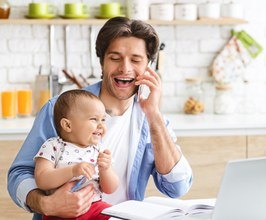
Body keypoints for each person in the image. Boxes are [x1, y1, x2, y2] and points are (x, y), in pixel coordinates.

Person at [8, 17, 193, 220]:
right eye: (115, 58)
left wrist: (154, 115)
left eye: (136, 60)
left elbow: (177, 187)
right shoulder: (60, 109)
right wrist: (46, 203)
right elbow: (19, 175)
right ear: (102, 62)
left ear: (148, 66)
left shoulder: (153, 120)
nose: (125, 68)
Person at [34, 89, 119, 220]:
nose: (101, 125)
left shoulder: (99, 150)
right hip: (60, 212)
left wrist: (106, 170)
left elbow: (110, 189)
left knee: (115, 215)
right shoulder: (53, 146)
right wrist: (72, 171)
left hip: (95, 207)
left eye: (103, 119)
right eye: (94, 119)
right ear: (67, 125)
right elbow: (42, 180)